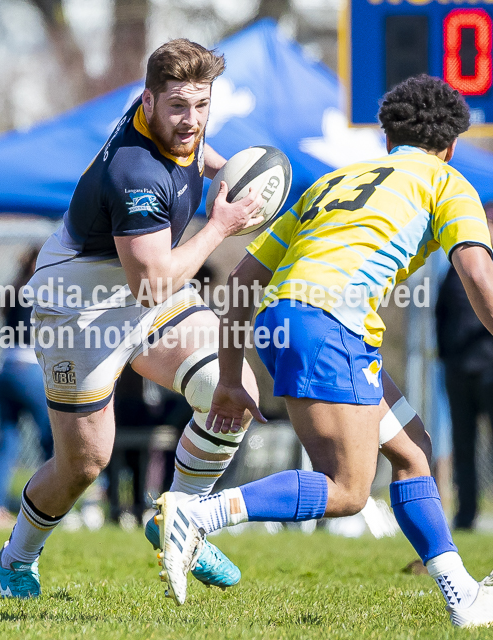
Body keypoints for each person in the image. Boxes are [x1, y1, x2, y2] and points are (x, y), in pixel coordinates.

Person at [153, 74, 493, 628]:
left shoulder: (331, 182)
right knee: (348, 490)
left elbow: (241, 281)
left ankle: (463, 598)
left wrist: (232, 378)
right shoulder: (447, 181)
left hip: (291, 320)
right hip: (332, 323)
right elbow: (478, 274)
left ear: (388, 140)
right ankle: (198, 513)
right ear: (451, 146)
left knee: (413, 451)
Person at [0, 38, 267, 598]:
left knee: (230, 390)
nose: (192, 121)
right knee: (85, 462)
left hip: (144, 290)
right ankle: (16, 556)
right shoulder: (134, 171)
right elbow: (153, 282)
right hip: (79, 310)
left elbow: (196, 157)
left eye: (202, 105)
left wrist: (228, 173)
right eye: (178, 108)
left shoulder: (175, 122)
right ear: (147, 101)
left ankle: (180, 521)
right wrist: (220, 224)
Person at [0, 247, 54, 531]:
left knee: (7, 442)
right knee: (54, 439)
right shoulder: (38, 290)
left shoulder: (15, 288)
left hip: (5, 370)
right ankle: (54, 505)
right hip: (28, 370)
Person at [436, 201, 493, 531]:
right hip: (457, 371)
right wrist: (445, 356)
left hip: (490, 371)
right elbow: (441, 313)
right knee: (463, 445)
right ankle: (466, 515)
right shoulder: (458, 265)